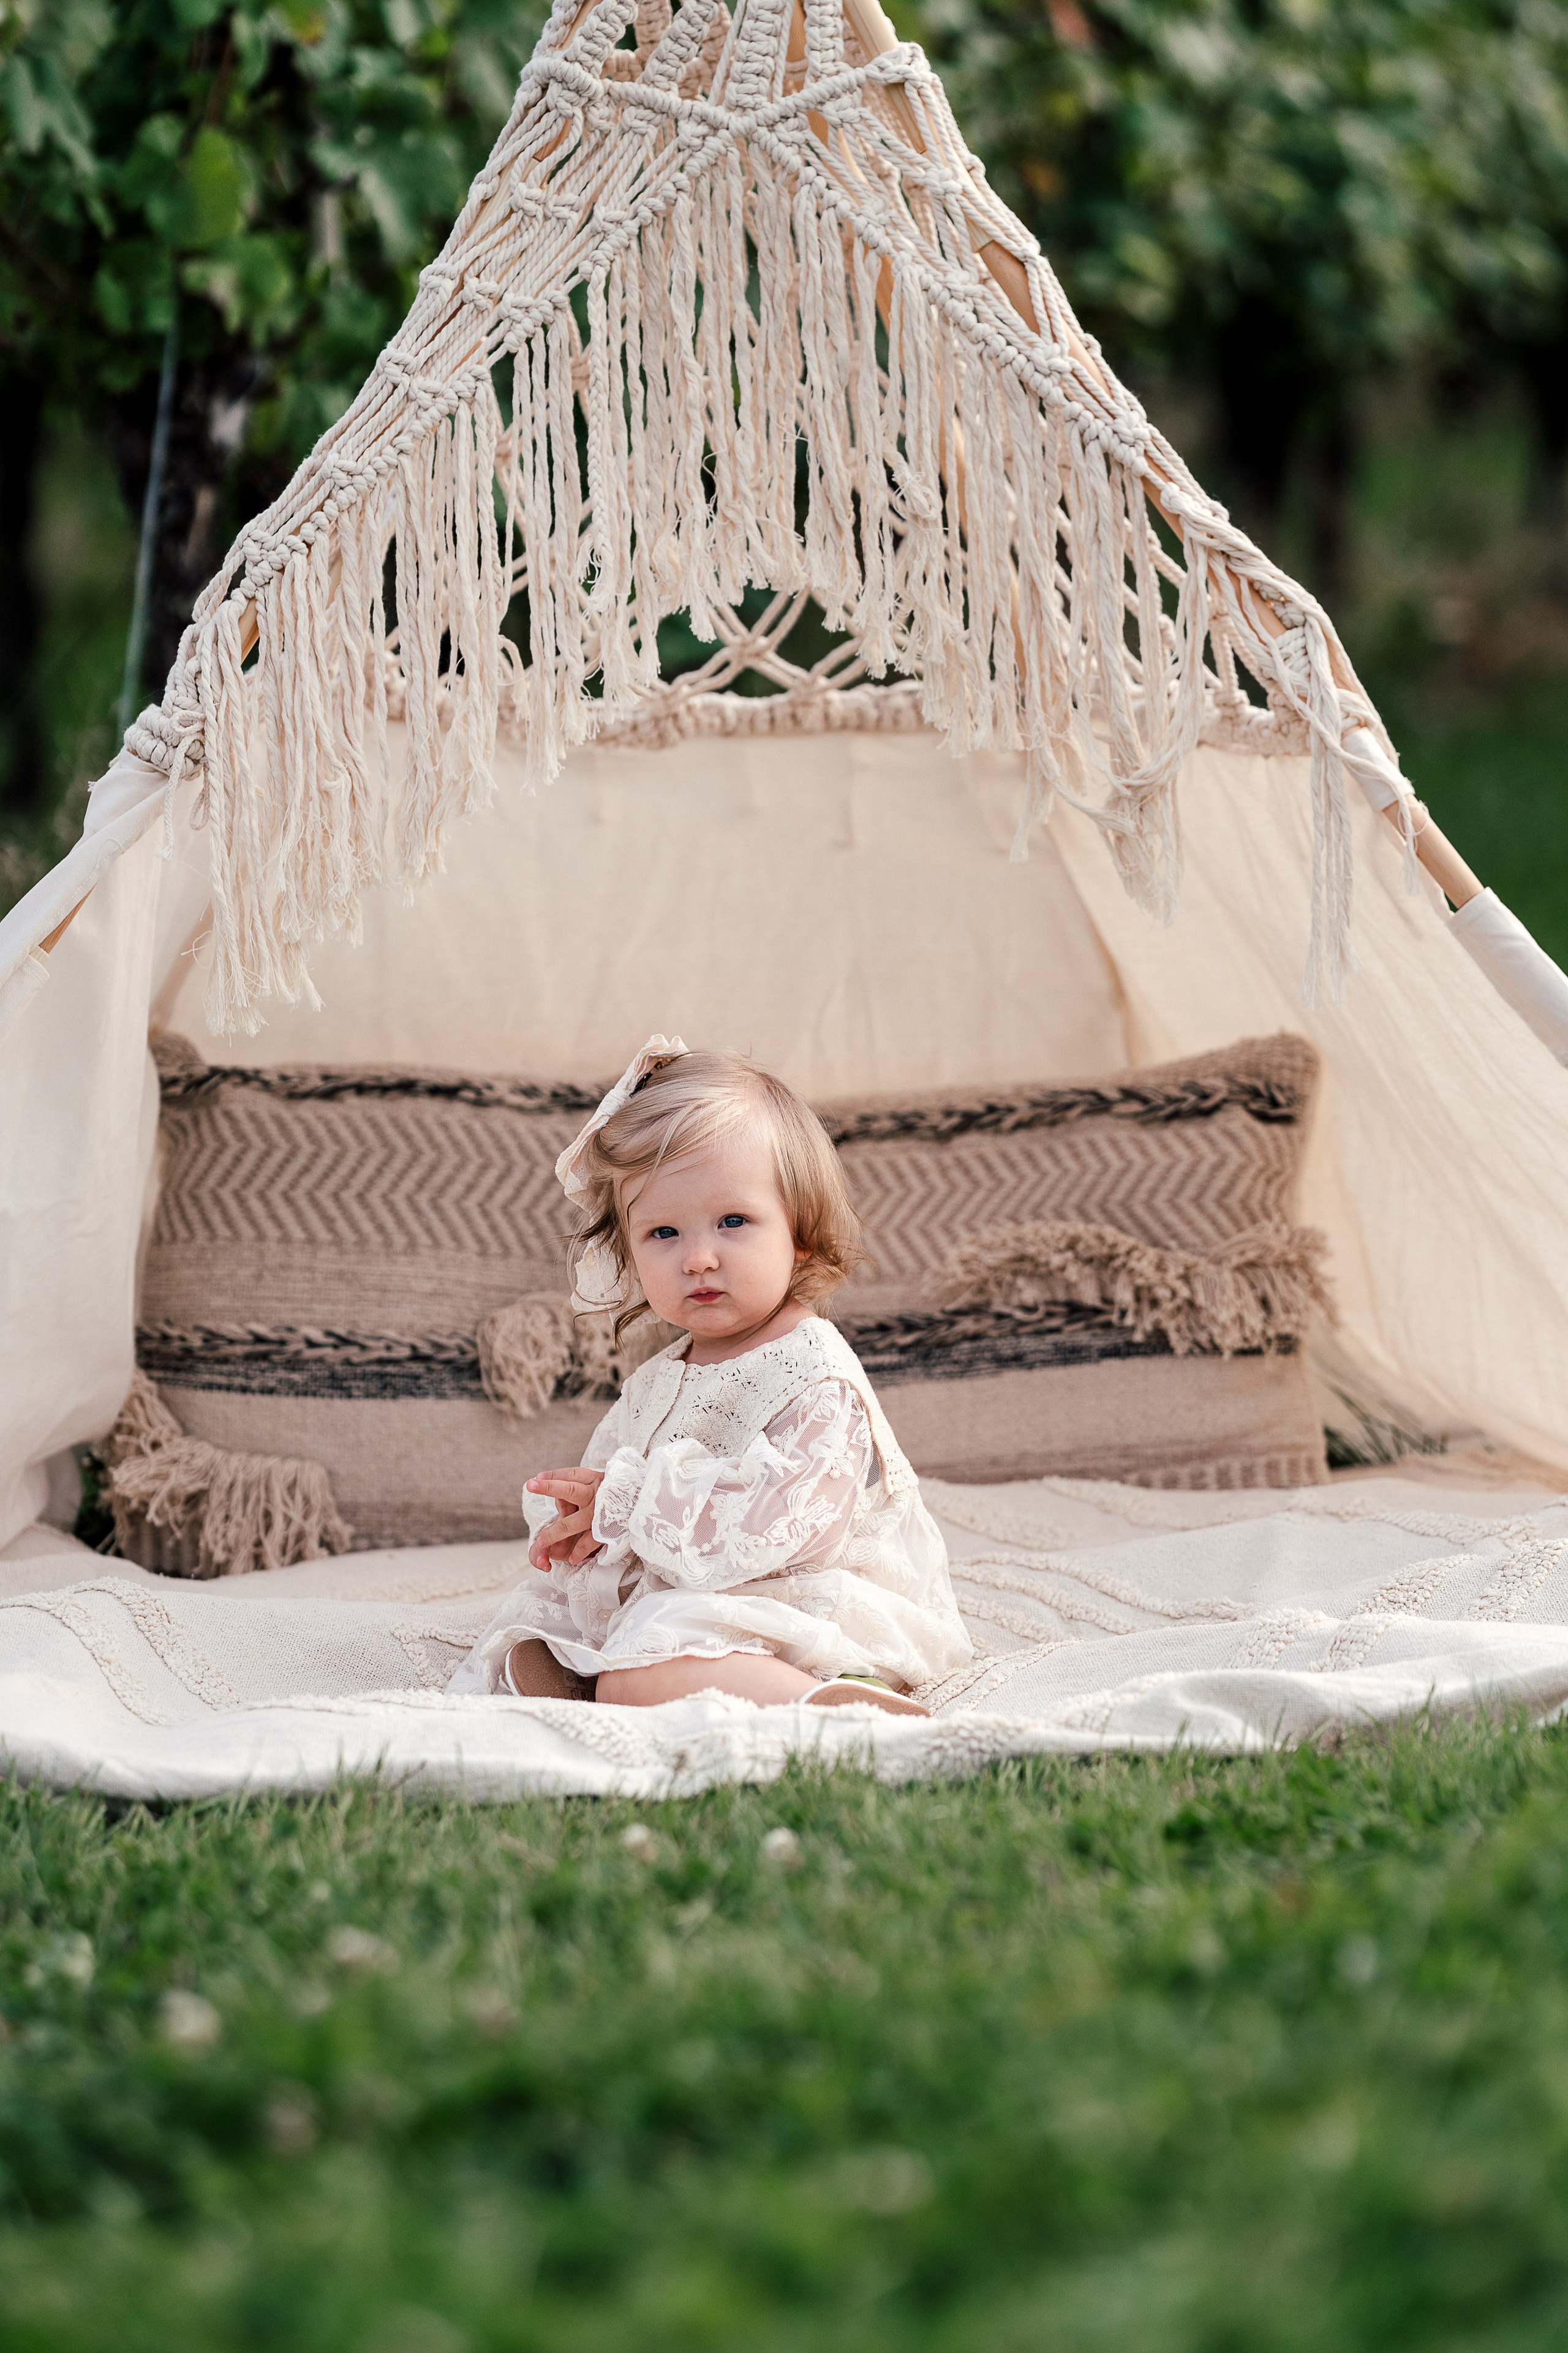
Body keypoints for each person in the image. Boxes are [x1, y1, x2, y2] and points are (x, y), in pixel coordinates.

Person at [448, 1037, 971, 1714]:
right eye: (662, 1233)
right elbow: (620, 1481)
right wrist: (588, 1517)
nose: (697, 1257)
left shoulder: (813, 1369)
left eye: (733, 1221)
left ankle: (834, 1700)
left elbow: (788, 1522)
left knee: (656, 1649)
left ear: (800, 1232)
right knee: (538, 1628)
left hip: (814, 1599)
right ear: (629, 1252)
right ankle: (606, 1675)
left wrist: (634, 1501)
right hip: (709, 1584)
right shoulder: (657, 1380)